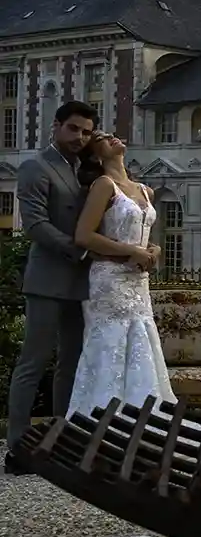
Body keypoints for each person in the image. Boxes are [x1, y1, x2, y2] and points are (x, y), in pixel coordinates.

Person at [5, 102, 99, 475]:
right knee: (33, 363)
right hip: (47, 280)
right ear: (56, 126)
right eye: (73, 129)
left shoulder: (88, 171)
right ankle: (17, 448)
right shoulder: (35, 167)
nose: (80, 138)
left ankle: (61, 440)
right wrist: (79, 249)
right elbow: (35, 225)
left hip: (81, 283)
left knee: (72, 364)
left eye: (87, 132)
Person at [66, 130, 174, 423]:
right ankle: (100, 423)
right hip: (109, 281)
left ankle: (143, 423)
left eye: (112, 134)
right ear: (95, 155)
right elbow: (84, 236)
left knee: (141, 346)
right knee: (110, 348)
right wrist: (131, 252)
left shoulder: (144, 190)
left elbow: (146, 234)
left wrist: (154, 249)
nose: (112, 137)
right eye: (102, 138)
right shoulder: (103, 185)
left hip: (138, 282)